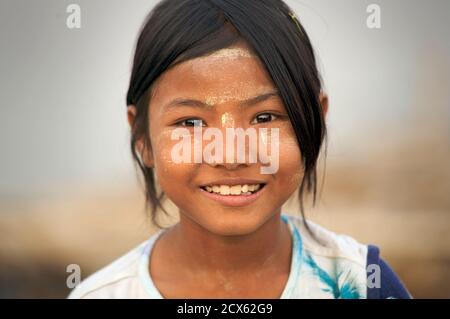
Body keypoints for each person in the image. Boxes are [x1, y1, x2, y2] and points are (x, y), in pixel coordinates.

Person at [69, 0, 411, 299]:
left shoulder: (363, 284)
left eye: (264, 117)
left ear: (315, 122)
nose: (231, 155)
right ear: (142, 137)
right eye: (191, 123)